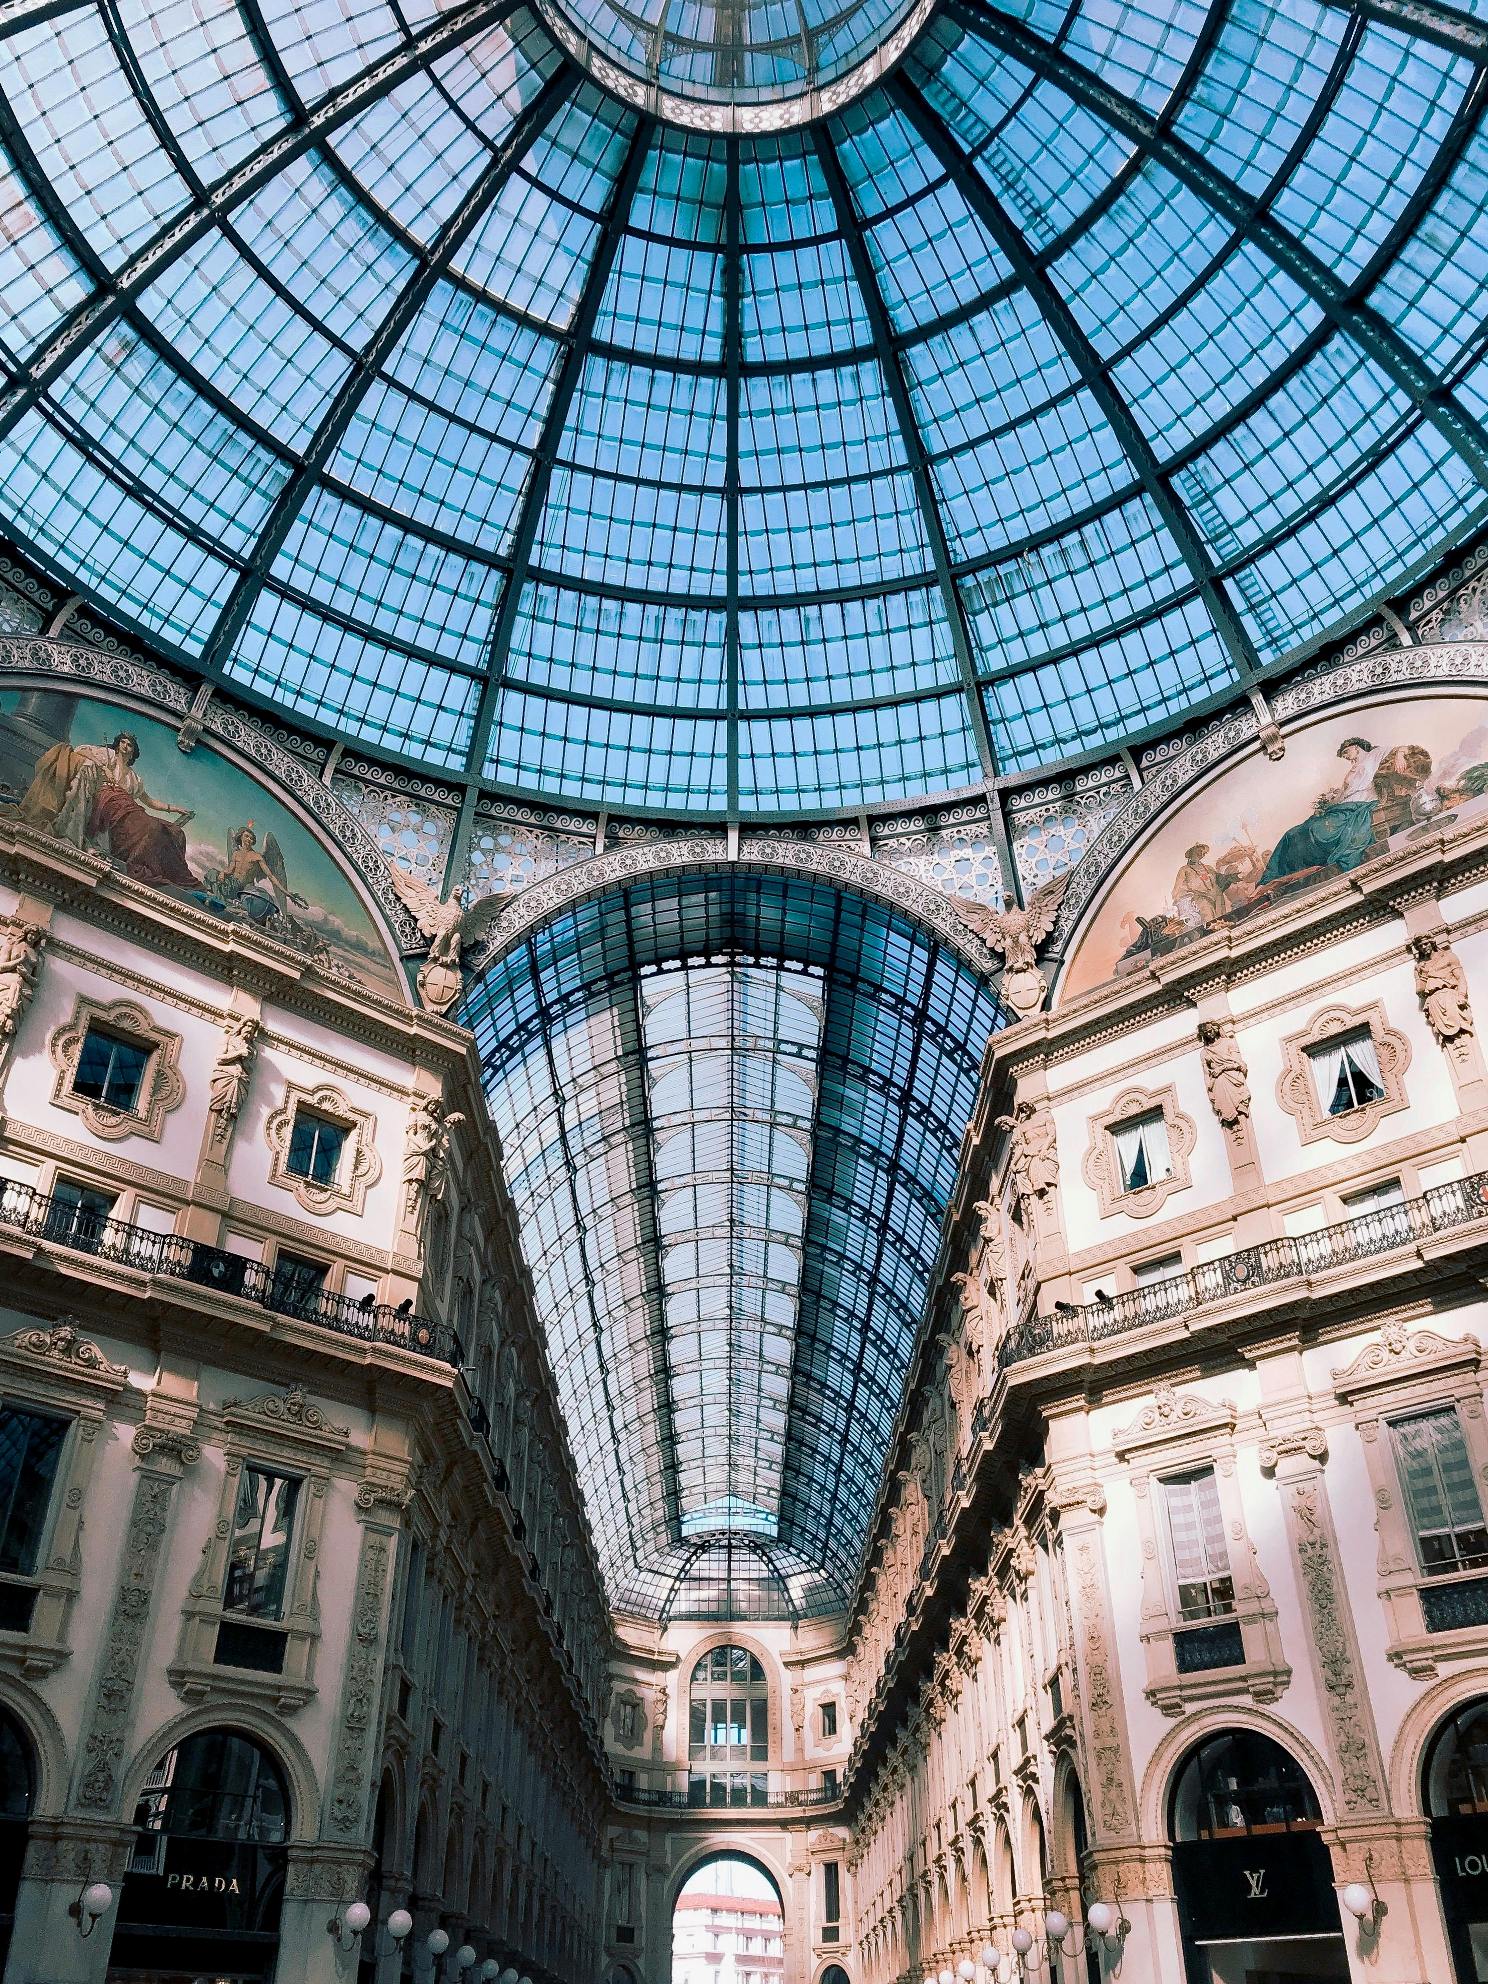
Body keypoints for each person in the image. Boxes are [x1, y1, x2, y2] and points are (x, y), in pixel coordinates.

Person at [18, 731, 196, 888]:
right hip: (106, 803)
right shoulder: (108, 756)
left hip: (128, 808)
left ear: (134, 751)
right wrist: (103, 766)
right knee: (151, 827)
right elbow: (81, 750)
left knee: (173, 832)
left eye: (130, 745)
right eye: (123, 743)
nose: (125, 747)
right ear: (118, 744)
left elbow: (149, 802)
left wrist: (174, 809)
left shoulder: (135, 778)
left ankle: (173, 873)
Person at [1259, 736, 1384, 886]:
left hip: (1359, 805)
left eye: (1346, 752)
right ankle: (1273, 876)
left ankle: (1296, 868)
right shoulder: (1351, 770)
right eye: (1343, 754)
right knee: (1292, 833)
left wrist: (1401, 755)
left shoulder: (1374, 755)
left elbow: (1398, 750)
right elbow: (1341, 795)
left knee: (1314, 830)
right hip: (1342, 807)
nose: (1345, 756)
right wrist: (1325, 806)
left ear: (1356, 746)